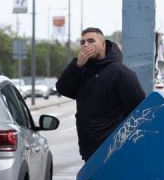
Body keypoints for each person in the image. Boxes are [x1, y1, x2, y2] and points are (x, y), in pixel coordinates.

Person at [55, 27, 146, 161]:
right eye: (82, 42)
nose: (86, 45)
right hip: (88, 148)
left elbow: (138, 109)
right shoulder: (82, 71)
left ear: (103, 44)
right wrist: (77, 65)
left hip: (114, 148)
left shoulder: (119, 72)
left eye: (91, 41)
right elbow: (63, 89)